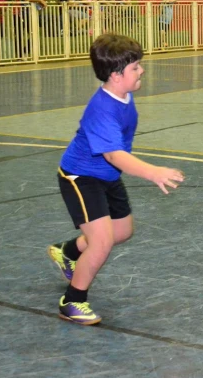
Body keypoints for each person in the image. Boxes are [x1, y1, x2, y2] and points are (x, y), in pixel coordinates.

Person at [46, 34, 185, 325]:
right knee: (102, 241)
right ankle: (73, 300)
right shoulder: (102, 109)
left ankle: (67, 252)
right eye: (135, 67)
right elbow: (114, 155)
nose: (142, 71)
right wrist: (153, 172)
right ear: (115, 75)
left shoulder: (123, 93)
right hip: (80, 177)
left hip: (106, 177)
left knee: (122, 232)